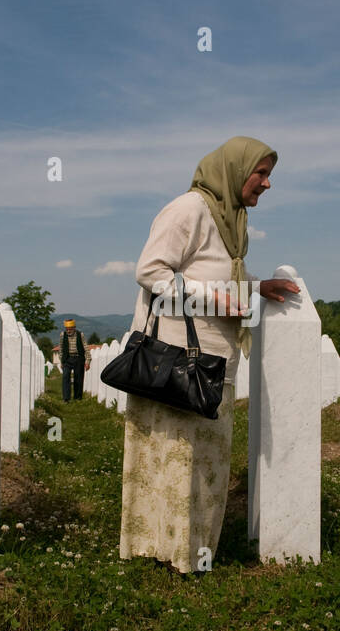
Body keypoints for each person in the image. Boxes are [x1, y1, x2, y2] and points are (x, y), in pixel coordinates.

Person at [119, 136, 300, 574]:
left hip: (214, 359)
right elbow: (150, 270)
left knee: (205, 463)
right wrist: (214, 301)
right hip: (177, 360)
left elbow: (217, 273)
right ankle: (165, 553)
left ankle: (194, 553)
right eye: (261, 174)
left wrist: (257, 287)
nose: (266, 184)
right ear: (234, 171)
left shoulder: (232, 220)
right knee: (175, 459)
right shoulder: (189, 209)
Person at [58, 318, 89, 401]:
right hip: (67, 358)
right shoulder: (62, 335)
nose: (68, 331)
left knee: (78, 378)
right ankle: (66, 398)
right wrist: (61, 360)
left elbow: (86, 347)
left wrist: (88, 361)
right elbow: (60, 348)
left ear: (74, 328)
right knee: (65, 377)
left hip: (78, 358)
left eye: (70, 329)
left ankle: (77, 398)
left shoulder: (80, 335)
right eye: (67, 329)